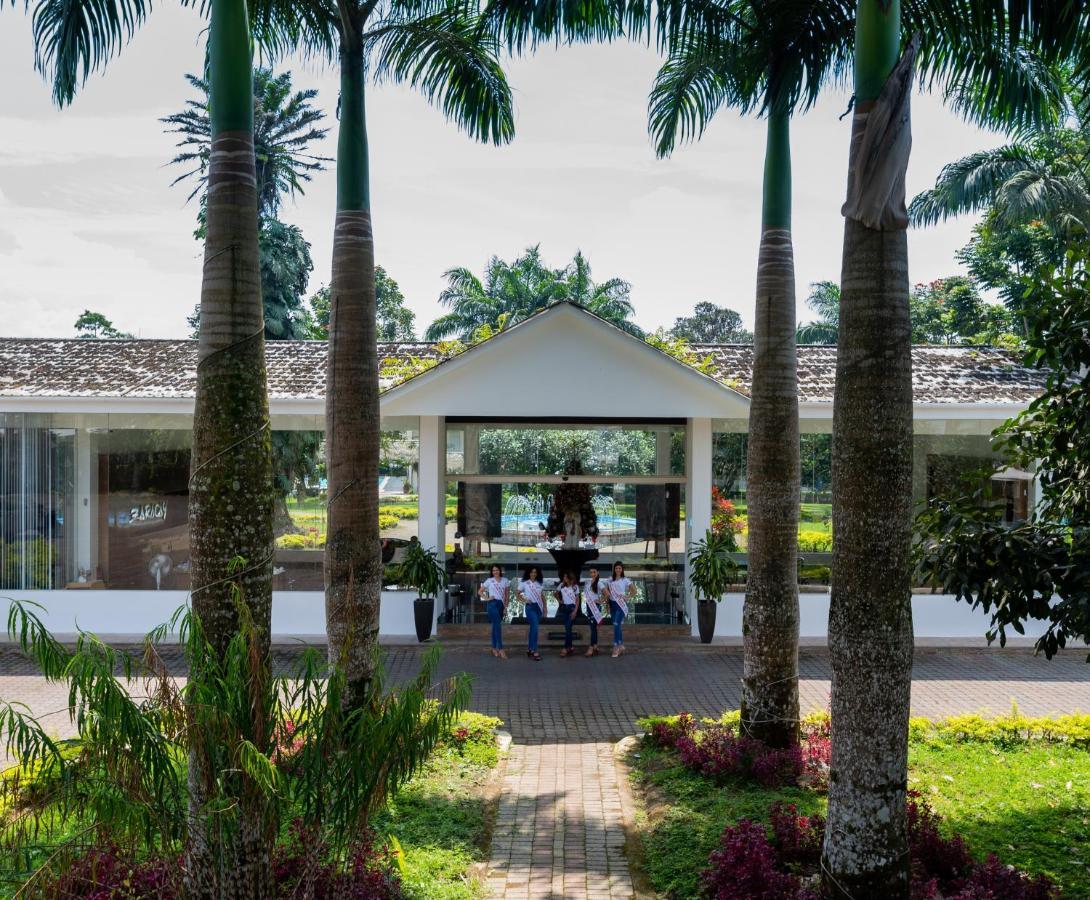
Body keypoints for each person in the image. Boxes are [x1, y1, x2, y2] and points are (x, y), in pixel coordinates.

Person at [604, 561, 635, 658]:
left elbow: (634, 590)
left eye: (619, 568)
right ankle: (621, 645)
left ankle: (616, 646)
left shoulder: (625, 580)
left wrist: (627, 597)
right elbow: (607, 593)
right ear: (614, 569)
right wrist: (607, 605)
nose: (618, 570)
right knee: (617, 626)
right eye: (616, 568)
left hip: (621, 605)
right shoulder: (610, 580)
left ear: (622, 570)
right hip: (612, 604)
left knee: (616, 624)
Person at [478, 564, 509, 659]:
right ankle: (501, 649)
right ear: (492, 572)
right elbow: (480, 591)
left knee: (495, 626)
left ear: (500, 571)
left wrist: (505, 607)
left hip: (501, 605)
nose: (495, 572)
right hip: (492, 604)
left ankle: (493, 648)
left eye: (497, 570)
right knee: (498, 625)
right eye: (493, 570)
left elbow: (507, 595)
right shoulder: (489, 581)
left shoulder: (505, 580)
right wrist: (487, 599)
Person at [518, 566, 545, 661]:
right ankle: (534, 650)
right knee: (535, 627)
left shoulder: (539, 584)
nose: (533, 574)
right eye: (531, 572)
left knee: (534, 628)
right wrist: (524, 600)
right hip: (530, 608)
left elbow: (542, 596)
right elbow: (517, 594)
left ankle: (529, 649)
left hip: (539, 607)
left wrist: (545, 608)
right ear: (528, 573)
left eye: (535, 572)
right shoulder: (524, 583)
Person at [582, 566, 605, 657]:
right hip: (589, 606)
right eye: (591, 572)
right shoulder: (588, 583)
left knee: (593, 628)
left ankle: (591, 647)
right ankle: (595, 646)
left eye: (594, 572)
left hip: (595, 607)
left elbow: (607, 593)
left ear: (597, 573)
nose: (592, 574)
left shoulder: (599, 583)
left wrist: (600, 601)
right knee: (593, 628)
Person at [556, 570, 579, 657]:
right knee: (567, 629)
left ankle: (565, 648)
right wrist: (559, 600)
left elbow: (577, 600)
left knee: (568, 628)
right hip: (564, 608)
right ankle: (571, 647)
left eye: (565, 577)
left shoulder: (575, 587)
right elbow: (555, 593)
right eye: (564, 577)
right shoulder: (561, 585)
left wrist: (575, 611)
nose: (564, 578)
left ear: (569, 578)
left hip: (572, 608)